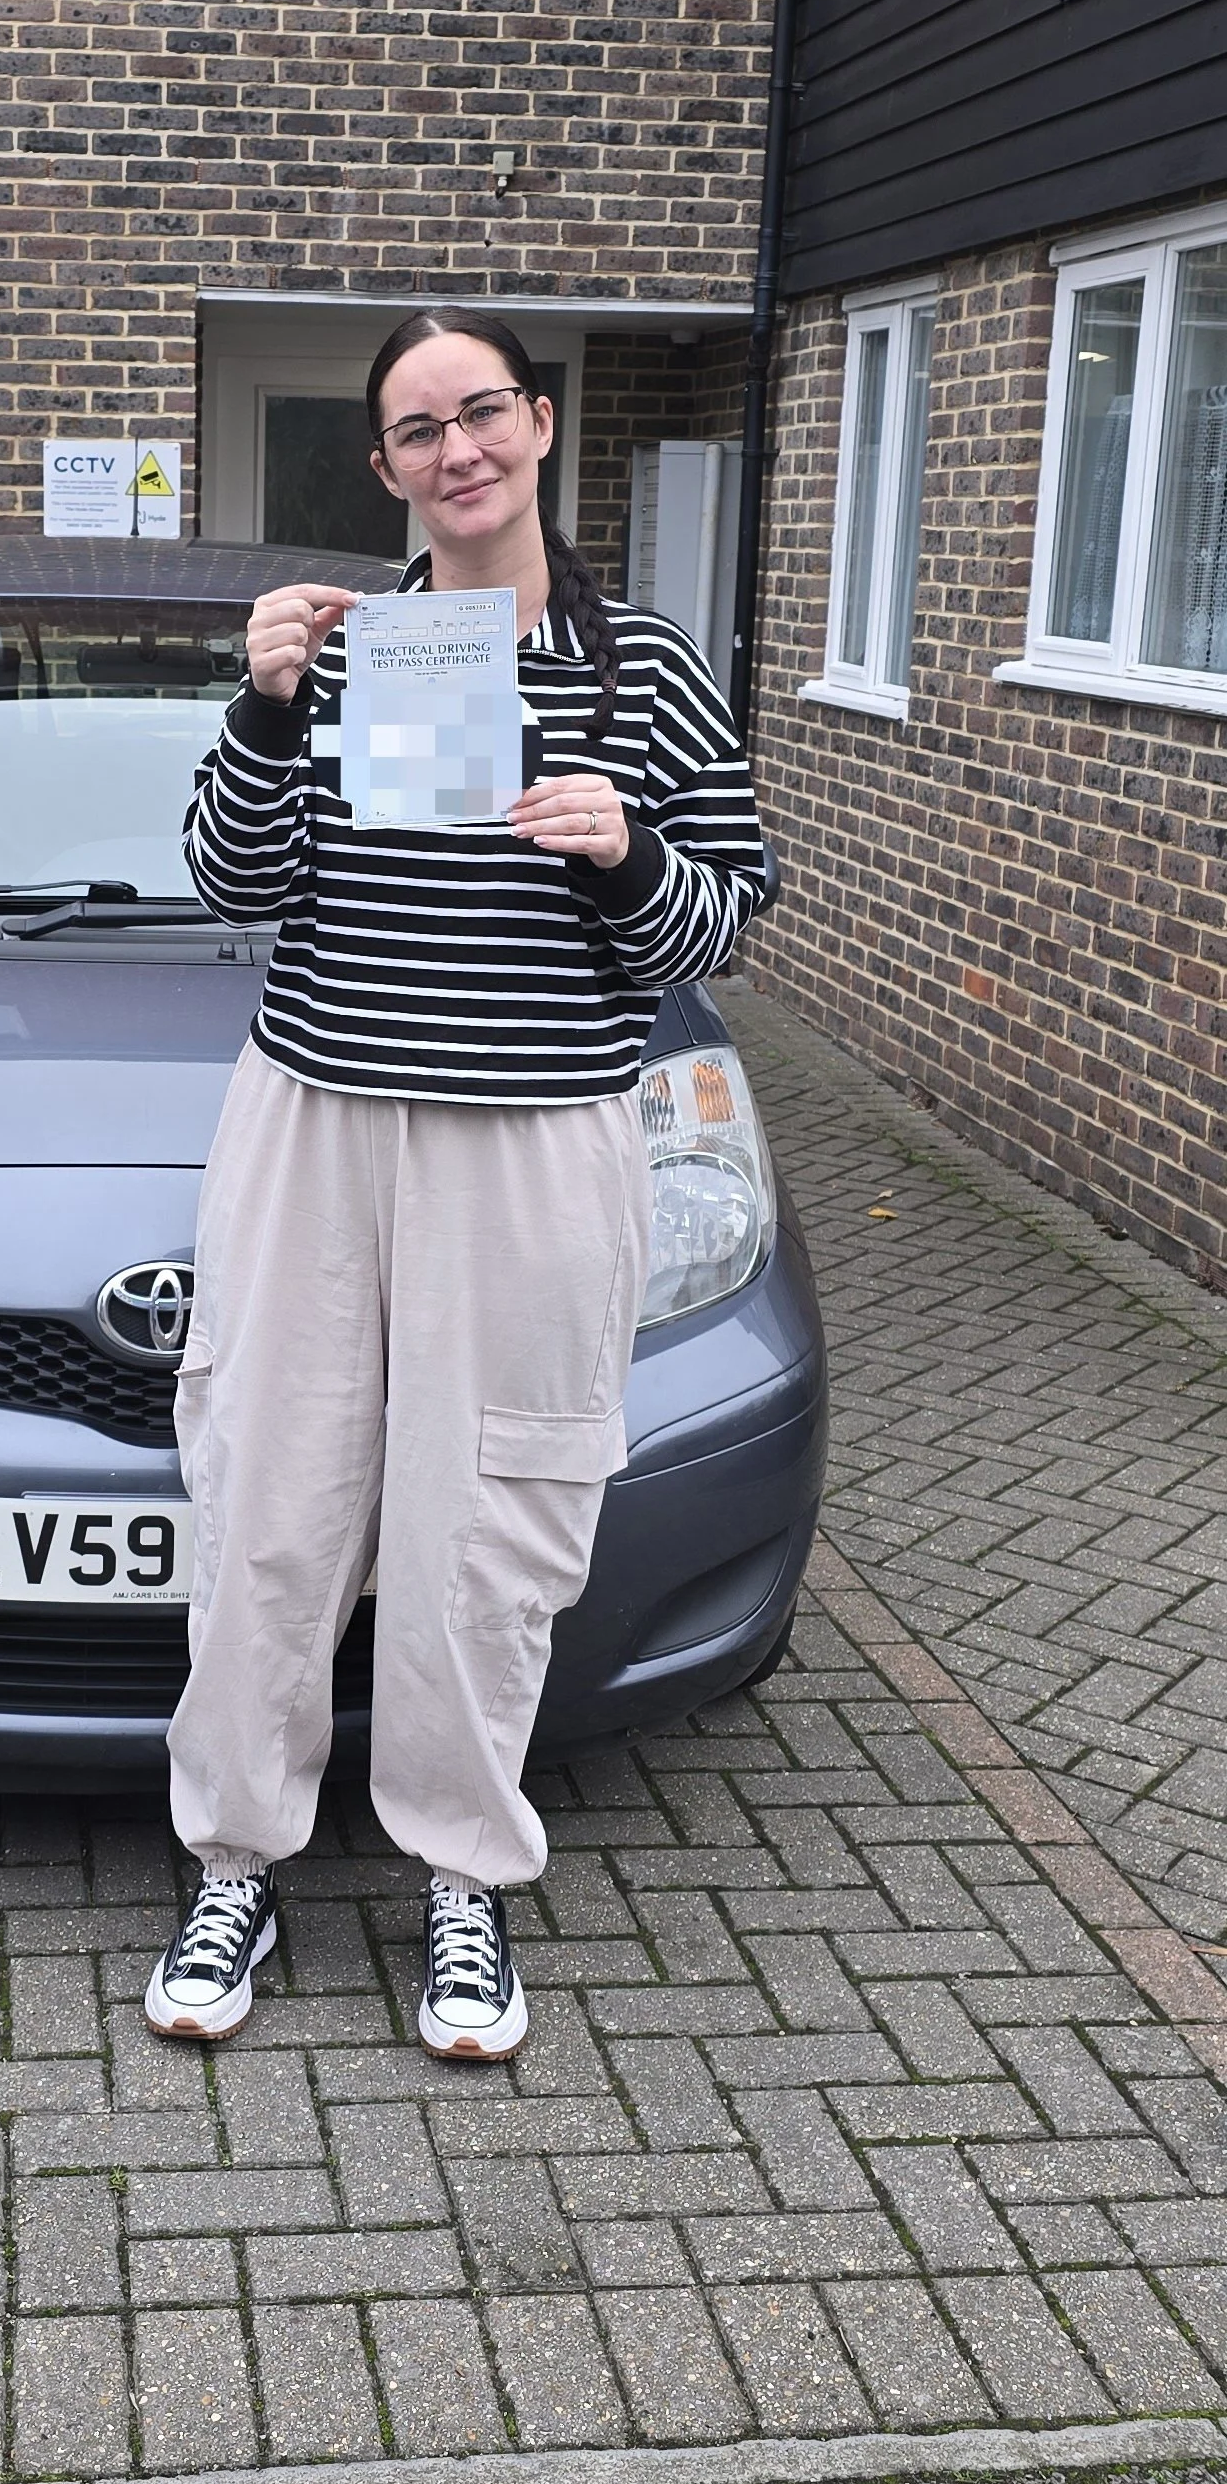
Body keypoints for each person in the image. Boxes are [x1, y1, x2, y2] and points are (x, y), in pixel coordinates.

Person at [144, 308, 770, 2059]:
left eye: (480, 411)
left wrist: (624, 851)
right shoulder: (346, 650)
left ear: (540, 424)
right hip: (317, 1119)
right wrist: (265, 706)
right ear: (385, 468)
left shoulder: (648, 669)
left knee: (488, 1523)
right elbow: (231, 883)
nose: (457, 450)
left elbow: (721, 924)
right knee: (269, 1498)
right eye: (418, 430)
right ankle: (236, 1861)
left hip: (534, 1137)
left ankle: (464, 1876)